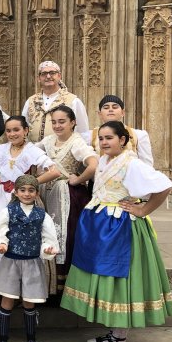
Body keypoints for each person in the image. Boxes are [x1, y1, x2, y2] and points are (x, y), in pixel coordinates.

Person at [61, 121, 172, 342]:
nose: (104, 142)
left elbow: (164, 186)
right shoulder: (104, 160)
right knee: (104, 276)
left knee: (118, 279)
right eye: (101, 138)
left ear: (123, 140)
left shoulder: (132, 164)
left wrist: (143, 209)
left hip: (119, 228)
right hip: (100, 225)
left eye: (109, 138)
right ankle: (114, 332)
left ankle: (119, 339)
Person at [0, 175, 59, 342]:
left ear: (37, 193)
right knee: (8, 300)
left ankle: (31, 340)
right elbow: (1, 230)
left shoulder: (42, 215)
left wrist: (47, 248)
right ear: (16, 192)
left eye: (31, 190)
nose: (27, 194)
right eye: (23, 190)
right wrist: (2, 243)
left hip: (32, 262)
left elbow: (48, 236)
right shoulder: (8, 211)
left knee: (30, 301)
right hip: (11, 261)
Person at [37, 105, 97, 295]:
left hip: (67, 197)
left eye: (62, 121)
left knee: (64, 235)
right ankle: (48, 281)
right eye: (54, 122)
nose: (57, 125)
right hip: (46, 192)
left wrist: (78, 179)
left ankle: (63, 285)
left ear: (73, 122)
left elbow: (94, 164)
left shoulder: (77, 143)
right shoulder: (48, 141)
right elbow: (29, 152)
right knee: (45, 233)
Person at [0, 116, 60, 244]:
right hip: (0, 196)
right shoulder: (0, 150)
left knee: (21, 236)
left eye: (16, 130)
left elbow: (55, 171)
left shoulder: (32, 151)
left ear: (25, 130)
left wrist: (31, 183)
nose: (12, 134)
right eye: (8, 131)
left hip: (24, 197)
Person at [21, 60, 90, 142]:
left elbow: (83, 133)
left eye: (52, 73)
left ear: (59, 76)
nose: (48, 76)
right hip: (34, 152)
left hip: (62, 151)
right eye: (44, 74)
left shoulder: (73, 101)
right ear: (38, 78)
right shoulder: (31, 101)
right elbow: (23, 128)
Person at [82, 95, 154, 166]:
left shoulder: (139, 135)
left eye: (115, 107)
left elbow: (147, 165)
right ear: (100, 114)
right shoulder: (89, 136)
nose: (110, 110)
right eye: (106, 107)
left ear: (123, 112)